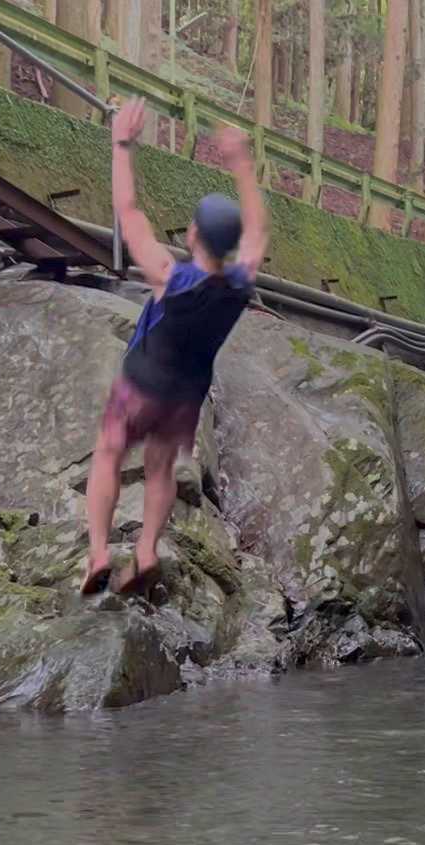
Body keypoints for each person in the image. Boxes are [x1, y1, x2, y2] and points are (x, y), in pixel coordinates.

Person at [81, 100, 267, 597]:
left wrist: (122, 144)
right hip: (185, 397)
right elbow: (259, 232)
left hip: (141, 383)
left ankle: (98, 553)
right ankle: (146, 551)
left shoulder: (169, 276)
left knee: (109, 453)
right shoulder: (241, 283)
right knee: (160, 468)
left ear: (192, 234)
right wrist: (242, 165)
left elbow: (128, 212)